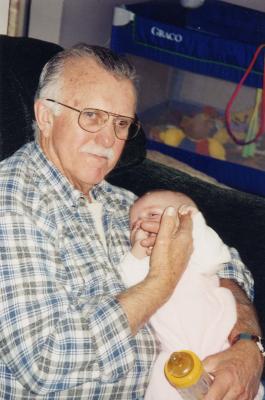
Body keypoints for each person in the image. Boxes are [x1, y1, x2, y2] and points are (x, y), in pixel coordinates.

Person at [0, 43, 262, 399]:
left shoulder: (119, 201)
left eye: (121, 123)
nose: (109, 140)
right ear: (46, 116)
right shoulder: (12, 201)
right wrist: (162, 281)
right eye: (91, 115)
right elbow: (46, 361)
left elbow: (230, 266)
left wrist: (247, 342)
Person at [118, 189, 264, 399]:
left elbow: (217, 258)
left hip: (220, 340)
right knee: (161, 384)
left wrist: (195, 226)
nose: (141, 224)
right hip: (174, 353)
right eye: (134, 224)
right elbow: (129, 280)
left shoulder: (196, 255)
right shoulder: (145, 268)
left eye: (152, 215)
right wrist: (138, 251)